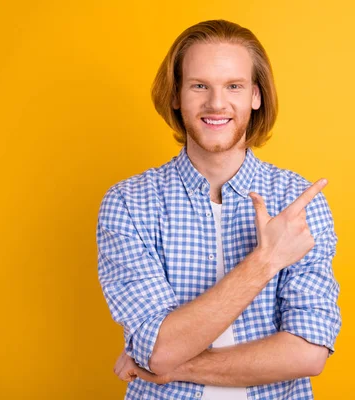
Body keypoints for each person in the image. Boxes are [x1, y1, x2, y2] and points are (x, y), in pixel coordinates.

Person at [97, 19, 341, 400]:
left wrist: (177, 366)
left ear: (255, 96)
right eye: (199, 85)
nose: (216, 103)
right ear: (176, 95)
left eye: (233, 86)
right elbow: (158, 346)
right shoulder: (128, 204)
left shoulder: (298, 202)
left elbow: (308, 351)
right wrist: (265, 261)